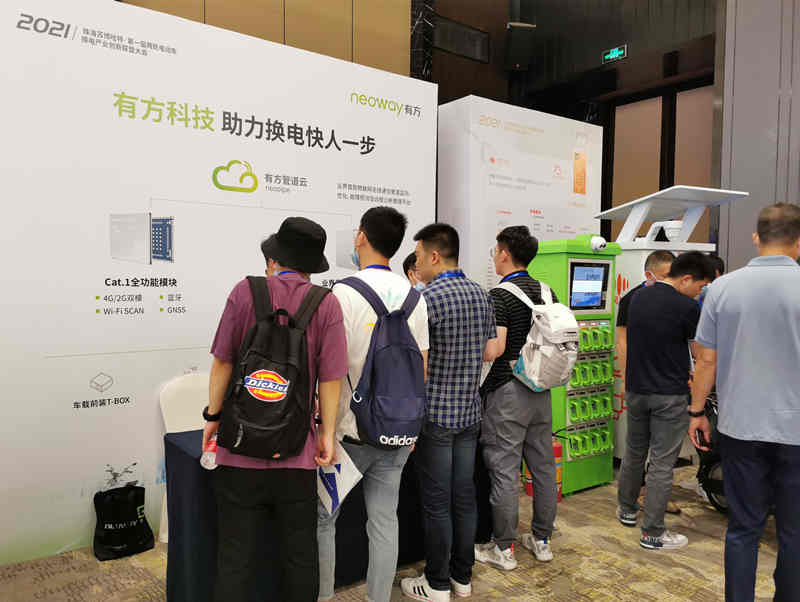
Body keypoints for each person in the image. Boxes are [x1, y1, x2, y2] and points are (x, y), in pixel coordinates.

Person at [203, 217, 347, 602]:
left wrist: (213, 417)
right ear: (312, 265)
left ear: (275, 258)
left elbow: (222, 362)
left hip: (239, 448)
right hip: (296, 453)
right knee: (300, 556)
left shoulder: (244, 292)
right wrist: (326, 435)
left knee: (234, 556)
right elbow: (331, 379)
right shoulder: (326, 304)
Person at [317, 207, 430, 602]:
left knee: (324, 519)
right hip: (398, 430)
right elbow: (421, 369)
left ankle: (324, 597)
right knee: (384, 521)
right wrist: (410, 427)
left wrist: (325, 430)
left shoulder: (342, 293)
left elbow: (330, 371)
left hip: (348, 431)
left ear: (362, 237)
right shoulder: (415, 297)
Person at [689, 203, 800, 600]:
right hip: (796, 431)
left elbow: (706, 360)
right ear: (799, 241)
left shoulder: (721, 289)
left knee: (743, 529)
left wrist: (697, 411)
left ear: (756, 239)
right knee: (794, 532)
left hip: (740, 427)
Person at [401, 224, 498, 602]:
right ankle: (462, 577)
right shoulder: (481, 294)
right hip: (470, 413)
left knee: (437, 503)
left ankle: (437, 583)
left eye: (419, 257)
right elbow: (490, 351)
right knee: (464, 497)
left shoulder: (424, 299)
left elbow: (414, 363)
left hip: (436, 416)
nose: (417, 265)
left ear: (435, 256)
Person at [615, 251, 713, 550]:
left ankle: (627, 509)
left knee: (634, 452)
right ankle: (653, 533)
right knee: (661, 463)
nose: (700, 293)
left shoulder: (636, 298)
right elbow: (700, 354)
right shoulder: (687, 307)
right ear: (686, 279)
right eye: (700, 286)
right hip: (669, 395)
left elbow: (625, 341)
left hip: (636, 390)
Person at [475, 226, 557, 571]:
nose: (494, 257)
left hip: (508, 391)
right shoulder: (547, 291)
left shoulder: (500, 296)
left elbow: (494, 349)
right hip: (541, 388)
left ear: (505, 253)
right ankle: (542, 541)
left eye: (495, 251)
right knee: (543, 467)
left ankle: (504, 548)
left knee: (505, 470)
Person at [615, 250, 680, 514]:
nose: (670, 281)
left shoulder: (679, 301)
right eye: (666, 275)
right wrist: (627, 377)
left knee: (660, 452)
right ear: (648, 274)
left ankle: (649, 500)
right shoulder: (631, 299)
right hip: (641, 385)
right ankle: (636, 502)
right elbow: (622, 341)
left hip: (667, 384)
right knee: (638, 449)